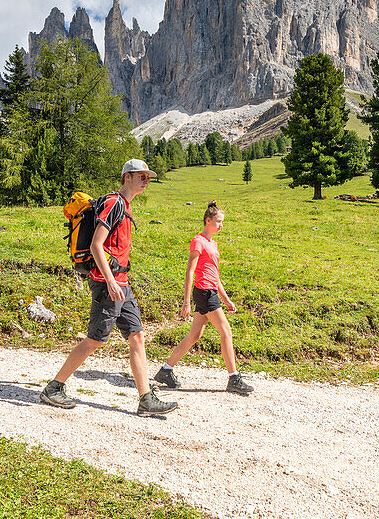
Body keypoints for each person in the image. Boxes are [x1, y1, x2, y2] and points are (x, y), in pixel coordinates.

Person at [40, 158, 178, 417]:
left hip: (121, 284)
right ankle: (54, 387)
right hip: (108, 283)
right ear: (127, 176)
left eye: (148, 177)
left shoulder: (125, 206)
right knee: (95, 339)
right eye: (142, 176)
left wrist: (119, 282)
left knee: (136, 336)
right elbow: (96, 245)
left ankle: (146, 399)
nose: (146, 181)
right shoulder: (115, 203)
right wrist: (112, 282)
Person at [153, 200, 254, 395]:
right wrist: (186, 302)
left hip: (211, 291)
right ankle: (234, 378)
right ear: (208, 220)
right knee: (226, 331)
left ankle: (165, 371)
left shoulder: (213, 244)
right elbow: (190, 272)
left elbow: (215, 275)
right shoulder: (198, 241)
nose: (221, 225)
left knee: (195, 335)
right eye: (218, 221)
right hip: (204, 292)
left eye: (222, 221)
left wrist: (226, 299)